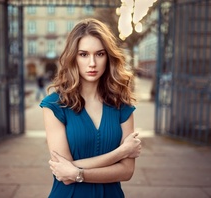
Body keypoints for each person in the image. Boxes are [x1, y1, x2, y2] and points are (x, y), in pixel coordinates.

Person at [40, 18, 142, 198]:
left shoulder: (122, 104)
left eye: (100, 54)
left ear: (108, 57)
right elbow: (62, 173)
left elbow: (127, 171)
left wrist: (76, 172)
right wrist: (121, 152)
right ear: (73, 57)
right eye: (84, 54)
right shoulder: (54, 105)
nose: (92, 63)